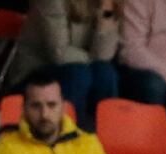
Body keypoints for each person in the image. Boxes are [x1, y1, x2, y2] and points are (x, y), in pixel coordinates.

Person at [14, 0, 120, 128]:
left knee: (105, 72)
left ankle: (102, 137)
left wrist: (106, 13)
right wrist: (91, 59)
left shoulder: (103, 4)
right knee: (79, 74)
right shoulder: (53, 2)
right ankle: (69, 134)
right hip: (34, 74)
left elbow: (103, 56)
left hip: (78, 68)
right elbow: (59, 52)